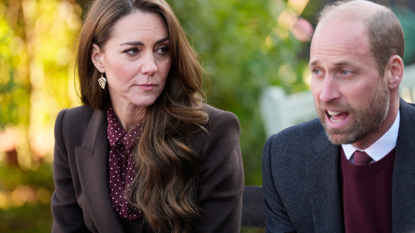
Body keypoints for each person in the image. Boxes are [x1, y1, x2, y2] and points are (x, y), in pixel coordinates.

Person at [51, 0, 244, 232]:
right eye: (133, 51)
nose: (151, 66)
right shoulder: (71, 128)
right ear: (97, 58)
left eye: (162, 50)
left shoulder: (213, 132)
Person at [262, 0, 415, 232]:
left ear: (393, 72)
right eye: (317, 71)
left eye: (345, 72)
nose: (326, 94)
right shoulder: (285, 158)